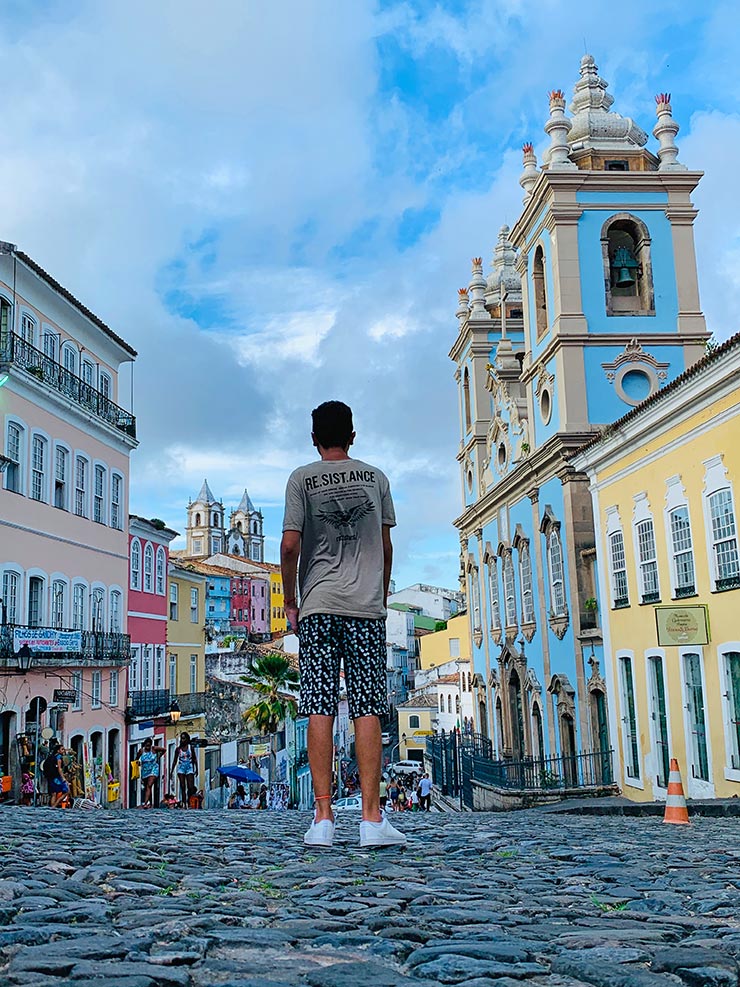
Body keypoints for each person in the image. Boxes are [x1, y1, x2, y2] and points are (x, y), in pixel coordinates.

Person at [281, 400, 406, 849]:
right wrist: (382, 589)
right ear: (353, 436)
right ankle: (372, 820)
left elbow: (290, 544)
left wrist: (291, 600)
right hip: (364, 608)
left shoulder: (301, 479)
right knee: (368, 705)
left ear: (314, 438)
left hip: (318, 606)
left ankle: (322, 818)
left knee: (318, 703)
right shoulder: (376, 478)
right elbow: (386, 546)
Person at [136, 738, 166, 808]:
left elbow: (164, 750)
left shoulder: (154, 749)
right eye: (147, 746)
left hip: (153, 769)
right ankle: (151, 803)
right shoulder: (141, 751)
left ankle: (145, 804)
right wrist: (138, 762)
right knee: (148, 787)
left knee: (149, 785)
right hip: (145, 770)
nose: (148, 747)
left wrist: (159, 756)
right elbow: (137, 758)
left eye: (149, 746)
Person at [170, 732, 198, 807]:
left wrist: (196, 769)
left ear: (187, 739)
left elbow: (194, 759)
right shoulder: (178, 749)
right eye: (181, 738)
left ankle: (189, 800)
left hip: (189, 767)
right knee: (182, 786)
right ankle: (184, 802)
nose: (182, 740)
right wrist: (171, 771)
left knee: (190, 786)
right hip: (181, 768)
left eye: (184, 738)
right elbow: (175, 761)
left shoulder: (190, 748)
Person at [43, 742, 69, 808]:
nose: (64, 751)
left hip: (50, 777)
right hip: (56, 777)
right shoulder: (59, 757)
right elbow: (59, 769)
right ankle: (55, 805)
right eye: (62, 749)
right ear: (58, 750)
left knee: (53, 793)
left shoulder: (51, 757)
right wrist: (63, 778)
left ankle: (52, 807)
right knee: (66, 791)